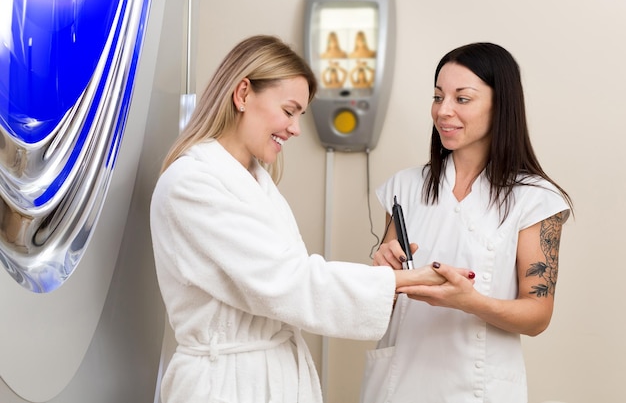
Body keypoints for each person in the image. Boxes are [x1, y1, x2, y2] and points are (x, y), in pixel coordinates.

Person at [149, 35, 472, 403]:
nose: (295, 129)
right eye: (289, 111)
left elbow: (291, 280)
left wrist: (395, 281)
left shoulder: (256, 180)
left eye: (299, 116)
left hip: (272, 375)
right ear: (242, 94)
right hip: (225, 384)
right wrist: (401, 280)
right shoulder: (192, 183)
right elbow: (287, 282)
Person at [360, 42, 573, 403]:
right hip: (398, 383)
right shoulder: (404, 188)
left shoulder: (536, 199)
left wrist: (468, 301)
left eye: (462, 99)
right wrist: (384, 277)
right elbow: (384, 305)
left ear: (500, 105)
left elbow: (537, 315)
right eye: (438, 96)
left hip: (479, 387)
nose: (443, 111)